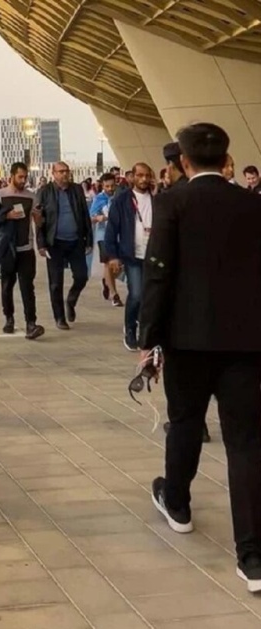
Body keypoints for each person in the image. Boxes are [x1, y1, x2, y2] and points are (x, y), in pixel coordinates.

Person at [139, 123, 261, 593]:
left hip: (186, 340)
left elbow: (157, 276)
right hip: (246, 345)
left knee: (185, 421)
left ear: (184, 162)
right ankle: (251, 555)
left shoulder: (172, 203)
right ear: (226, 159)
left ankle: (179, 503)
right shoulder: (253, 204)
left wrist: (149, 339)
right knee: (246, 442)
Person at [0, 162, 45, 340]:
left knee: (28, 287)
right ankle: (9, 318)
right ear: (11, 176)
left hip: (26, 248)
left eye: (25, 177)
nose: (23, 180)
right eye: (20, 177)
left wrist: (38, 217)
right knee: (7, 285)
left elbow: (39, 223)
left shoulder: (31, 197)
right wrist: (6, 216)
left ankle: (31, 323)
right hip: (7, 248)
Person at [35, 162, 93, 330]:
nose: (64, 175)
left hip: (75, 241)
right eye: (61, 172)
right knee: (55, 282)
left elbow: (84, 214)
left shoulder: (76, 189)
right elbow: (39, 220)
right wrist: (41, 244)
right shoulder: (45, 192)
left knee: (82, 275)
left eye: (66, 171)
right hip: (55, 243)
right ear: (53, 173)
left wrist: (88, 239)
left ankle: (71, 300)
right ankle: (60, 317)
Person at [103, 164, 154, 351]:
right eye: (140, 175)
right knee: (137, 294)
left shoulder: (157, 198)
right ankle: (130, 329)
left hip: (152, 255)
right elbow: (111, 230)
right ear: (132, 176)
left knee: (150, 297)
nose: (144, 179)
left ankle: (146, 330)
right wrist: (113, 256)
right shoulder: (122, 200)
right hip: (132, 255)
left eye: (147, 175)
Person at [90, 173, 122, 307]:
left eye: (112, 185)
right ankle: (114, 294)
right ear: (102, 186)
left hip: (119, 235)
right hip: (103, 236)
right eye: (107, 186)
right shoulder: (99, 199)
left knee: (118, 266)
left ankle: (107, 281)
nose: (110, 188)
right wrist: (98, 218)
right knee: (108, 263)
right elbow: (90, 217)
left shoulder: (119, 197)